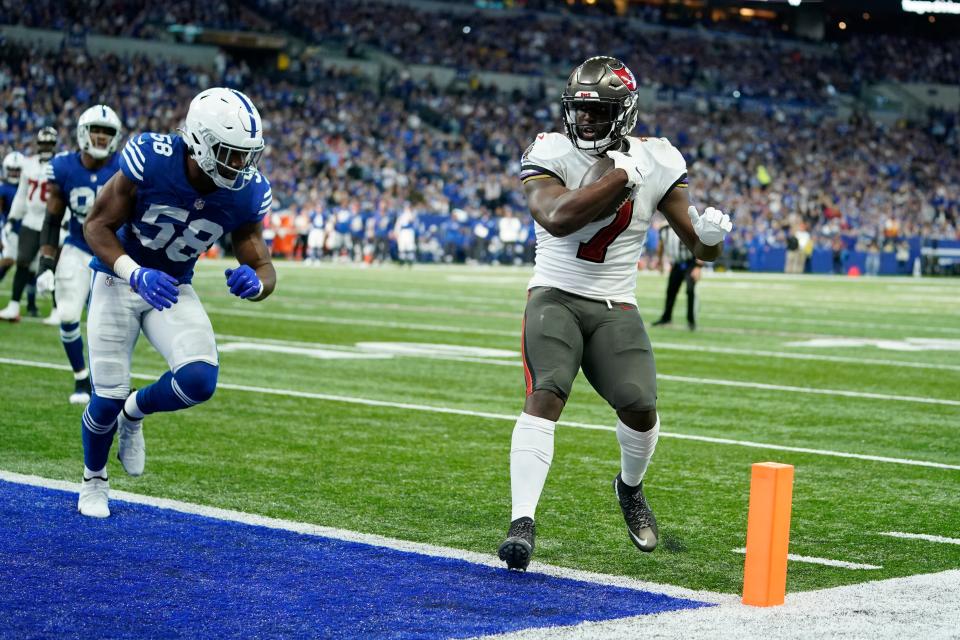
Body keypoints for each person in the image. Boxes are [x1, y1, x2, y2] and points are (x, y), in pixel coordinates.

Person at [499, 56, 732, 570]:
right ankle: (522, 522)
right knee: (546, 392)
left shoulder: (661, 159)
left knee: (640, 405)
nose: (584, 122)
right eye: (579, 111)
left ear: (624, 113)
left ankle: (630, 488)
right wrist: (622, 174)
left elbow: (696, 246)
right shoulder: (549, 149)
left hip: (614, 304)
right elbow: (558, 218)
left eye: (598, 112)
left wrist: (711, 242)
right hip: (555, 294)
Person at [77, 88, 276, 518]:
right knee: (105, 397)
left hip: (173, 287)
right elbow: (96, 226)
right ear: (201, 142)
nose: (242, 165)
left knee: (200, 380)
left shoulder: (246, 193)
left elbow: (261, 262)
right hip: (117, 279)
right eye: (231, 153)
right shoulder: (152, 157)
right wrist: (135, 272)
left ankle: (135, 412)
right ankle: (93, 478)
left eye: (247, 155)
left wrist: (256, 282)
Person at [35, 105, 123, 404]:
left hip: (113, 253)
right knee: (69, 315)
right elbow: (51, 219)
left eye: (107, 132)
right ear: (83, 133)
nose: (100, 137)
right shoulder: (64, 167)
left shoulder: (125, 167)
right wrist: (46, 264)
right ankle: (81, 379)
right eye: (96, 130)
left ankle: (107, 384)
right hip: (77, 246)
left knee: (111, 327)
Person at [0, 127, 58, 322]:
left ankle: (57, 310)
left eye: (49, 143)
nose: (46, 147)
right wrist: (12, 218)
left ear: (54, 144)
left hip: (52, 220)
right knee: (23, 262)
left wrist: (65, 222)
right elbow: (21, 195)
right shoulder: (29, 164)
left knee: (53, 265)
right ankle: (14, 305)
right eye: (43, 143)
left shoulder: (60, 164)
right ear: (38, 144)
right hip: (30, 220)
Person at [652, 223, 700, 331]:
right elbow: (661, 246)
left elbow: (699, 244)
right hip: (676, 264)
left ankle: (691, 321)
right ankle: (666, 318)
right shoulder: (664, 230)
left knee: (690, 290)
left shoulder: (688, 226)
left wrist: (698, 266)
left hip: (690, 263)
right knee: (670, 291)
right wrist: (659, 261)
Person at [0, 151, 25, 284]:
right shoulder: (3, 188)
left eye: (17, 170)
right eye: (11, 170)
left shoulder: (27, 186)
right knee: (9, 260)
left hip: (28, 230)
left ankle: (31, 303)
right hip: (11, 231)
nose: (14, 173)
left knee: (29, 267)